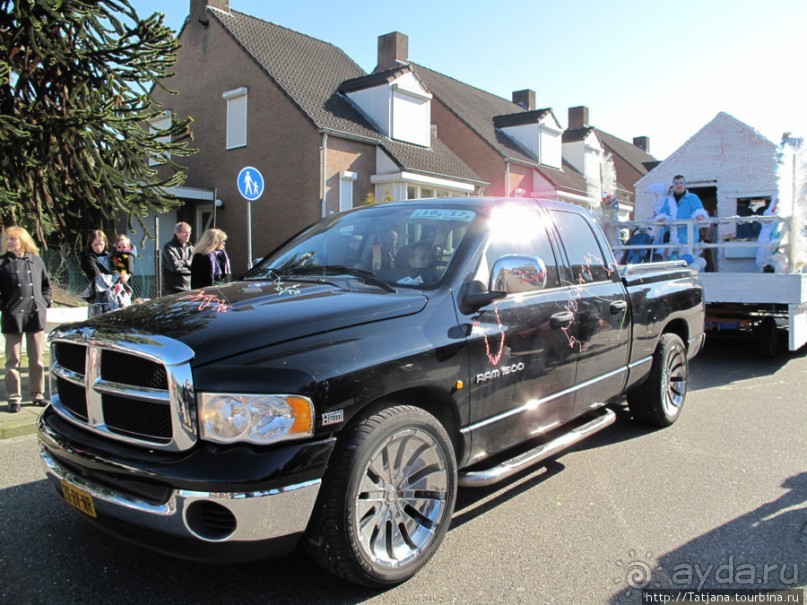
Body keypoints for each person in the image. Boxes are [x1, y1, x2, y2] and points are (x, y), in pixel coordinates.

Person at [0, 226, 52, 413]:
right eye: (8, 239)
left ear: (23, 240)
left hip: (35, 314)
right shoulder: (2, 263)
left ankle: (37, 395)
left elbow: (46, 286)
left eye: (13, 239)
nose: (10, 242)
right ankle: (14, 398)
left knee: (37, 359)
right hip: (12, 317)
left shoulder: (36, 261)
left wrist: (43, 302)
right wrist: (6, 307)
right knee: (12, 361)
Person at [82, 230, 124, 316]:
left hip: (115, 295)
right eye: (95, 245)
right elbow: (99, 278)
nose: (98, 247)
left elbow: (121, 270)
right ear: (90, 244)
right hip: (99, 298)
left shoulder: (108, 256)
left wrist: (124, 274)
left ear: (105, 243)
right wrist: (116, 277)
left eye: (101, 244)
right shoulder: (88, 258)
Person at [670, 175, 708, 254]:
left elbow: (699, 211)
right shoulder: (669, 200)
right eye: (676, 183)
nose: (679, 185)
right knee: (672, 264)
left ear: (685, 184)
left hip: (689, 240)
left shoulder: (693, 198)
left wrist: (699, 215)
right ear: (673, 185)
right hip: (672, 241)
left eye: (681, 183)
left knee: (689, 263)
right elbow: (663, 213)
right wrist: (659, 216)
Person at [161, 222, 194, 294]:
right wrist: (189, 266)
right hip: (173, 289)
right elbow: (175, 267)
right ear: (177, 233)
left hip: (189, 287)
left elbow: (195, 266)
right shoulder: (169, 247)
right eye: (185, 232)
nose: (188, 235)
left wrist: (184, 262)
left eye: (189, 232)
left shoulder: (191, 248)